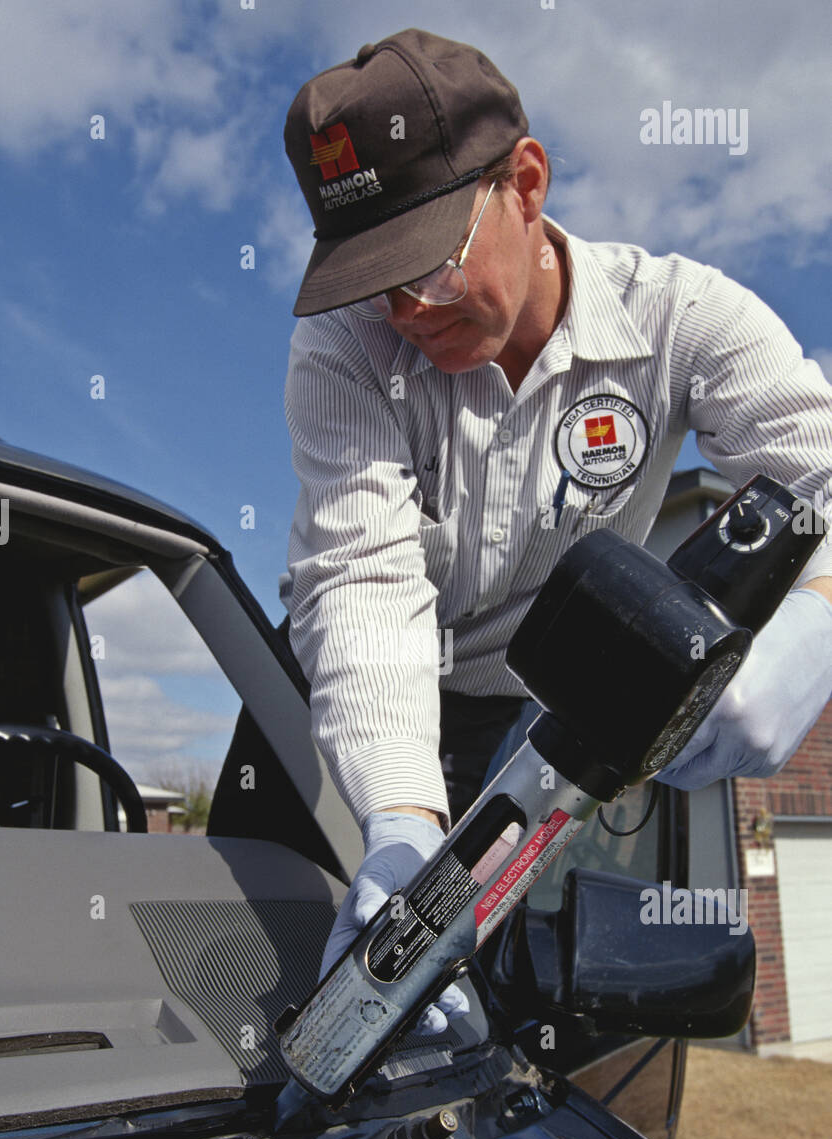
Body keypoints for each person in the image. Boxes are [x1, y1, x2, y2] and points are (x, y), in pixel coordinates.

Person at [279, 28, 832, 1029]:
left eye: (429, 262)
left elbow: (821, 478)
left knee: (477, 1012)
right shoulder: (341, 349)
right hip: (354, 702)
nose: (405, 308)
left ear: (523, 184)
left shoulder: (681, 320)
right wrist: (399, 824)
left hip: (524, 723)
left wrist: (815, 622)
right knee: (298, 974)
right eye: (373, 275)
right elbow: (362, 583)